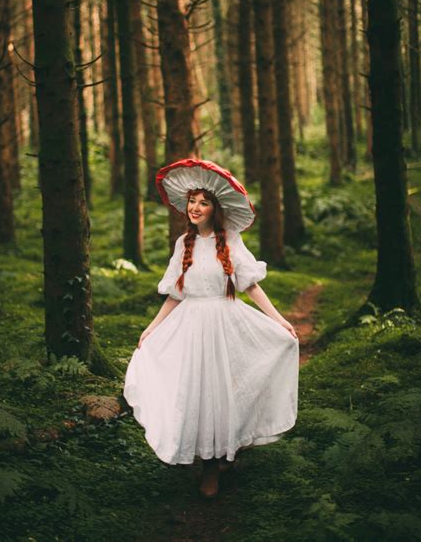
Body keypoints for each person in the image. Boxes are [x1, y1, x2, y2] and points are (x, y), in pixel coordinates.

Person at [123, 158, 300, 500]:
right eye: (192, 201)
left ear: (215, 209)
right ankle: (206, 460)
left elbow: (250, 286)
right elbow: (176, 294)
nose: (195, 207)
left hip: (224, 323)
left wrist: (279, 320)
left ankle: (221, 457)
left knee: (224, 391)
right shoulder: (183, 245)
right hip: (190, 326)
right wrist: (151, 328)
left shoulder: (230, 240)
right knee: (197, 392)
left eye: (204, 202)